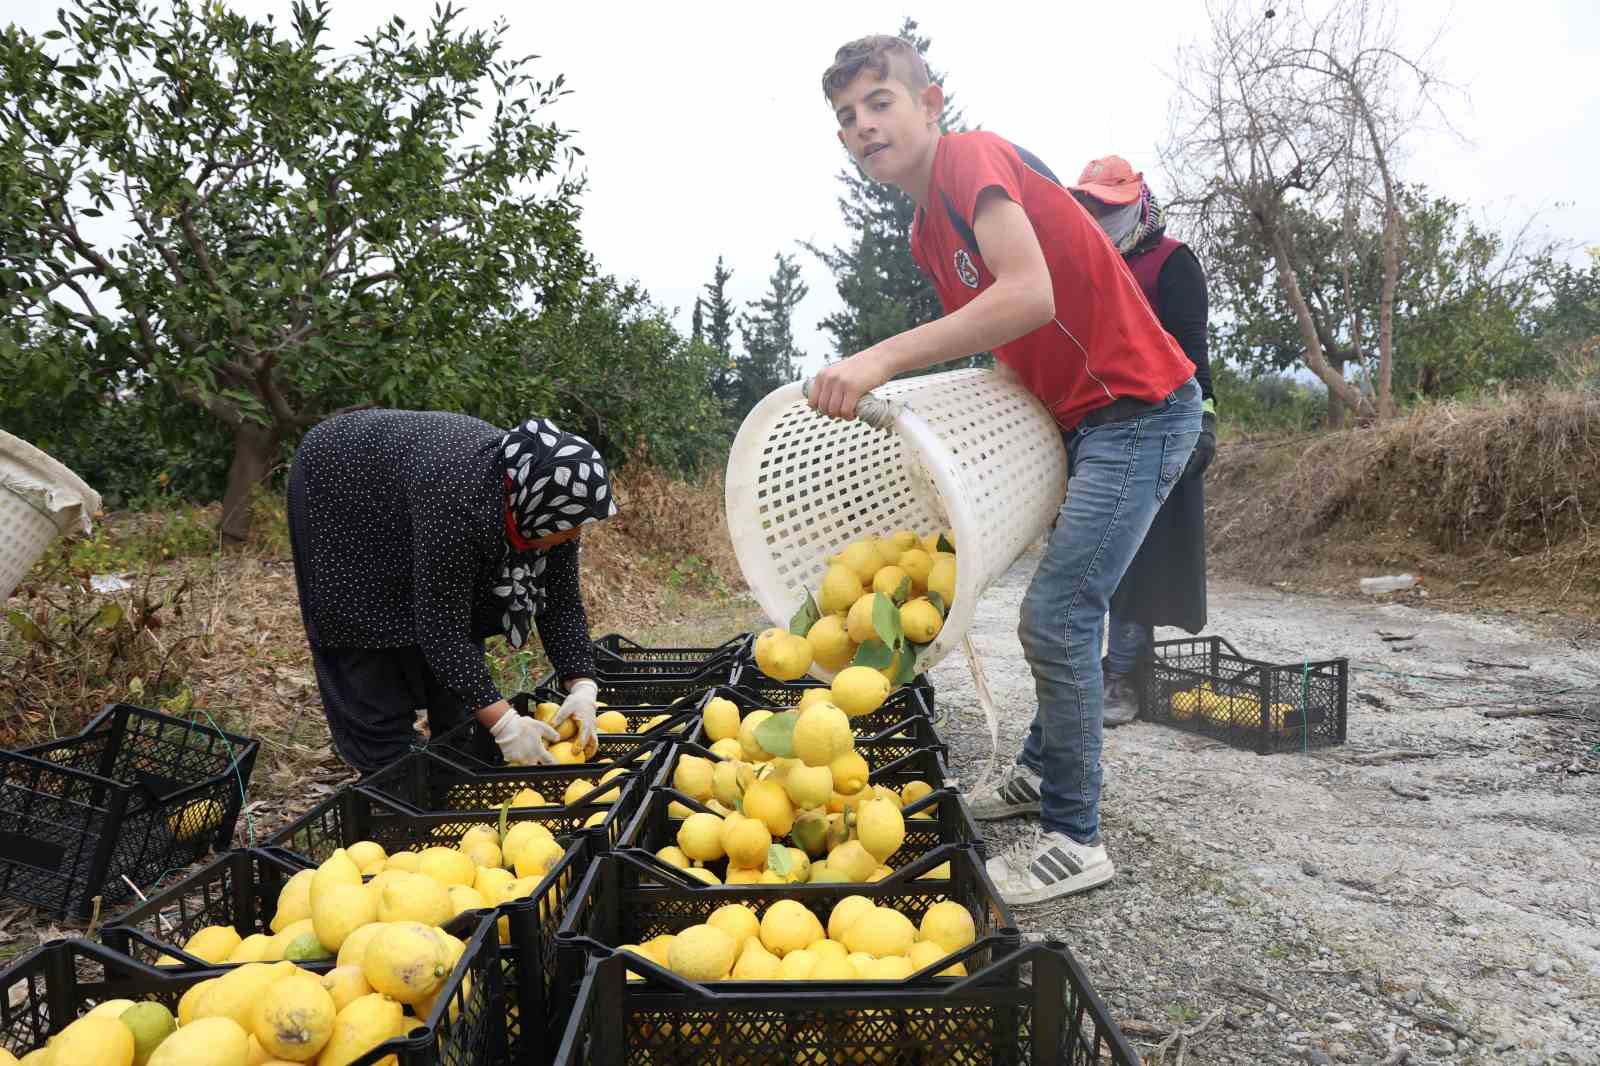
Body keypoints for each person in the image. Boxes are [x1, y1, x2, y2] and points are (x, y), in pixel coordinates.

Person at [810, 35, 1202, 904]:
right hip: (1083, 426)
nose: (864, 126)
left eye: (881, 103)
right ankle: (1037, 769)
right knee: (1055, 607)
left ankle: (1074, 835)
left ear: (931, 104)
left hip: (1139, 409)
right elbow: (1006, 351)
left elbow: (1029, 294)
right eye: (847, 117)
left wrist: (879, 360)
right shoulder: (924, 231)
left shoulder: (970, 160)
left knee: (1059, 612)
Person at [287, 409, 616, 773]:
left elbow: (560, 601)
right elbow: (442, 628)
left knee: (457, 649)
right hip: (342, 483)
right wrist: (505, 725)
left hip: (414, 487)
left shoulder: (548, 505)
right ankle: (388, 772)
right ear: (538, 509)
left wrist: (582, 684)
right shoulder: (462, 502)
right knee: (365, 632)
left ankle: (454, 755)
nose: (574, 536)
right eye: (571, 527)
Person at [1069, 157, 1216, 727]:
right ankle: (1124, 671)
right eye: (1092, 202)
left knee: (1141, 558)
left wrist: (1204, 419)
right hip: (1098, 428)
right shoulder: (1082, 264)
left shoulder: (1170, 262)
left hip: (1159, 424)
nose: (1099, 212)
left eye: (1110, 202)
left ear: (1136, 199)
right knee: (1110, 556)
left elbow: (1193, 350)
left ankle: (1123, 678)